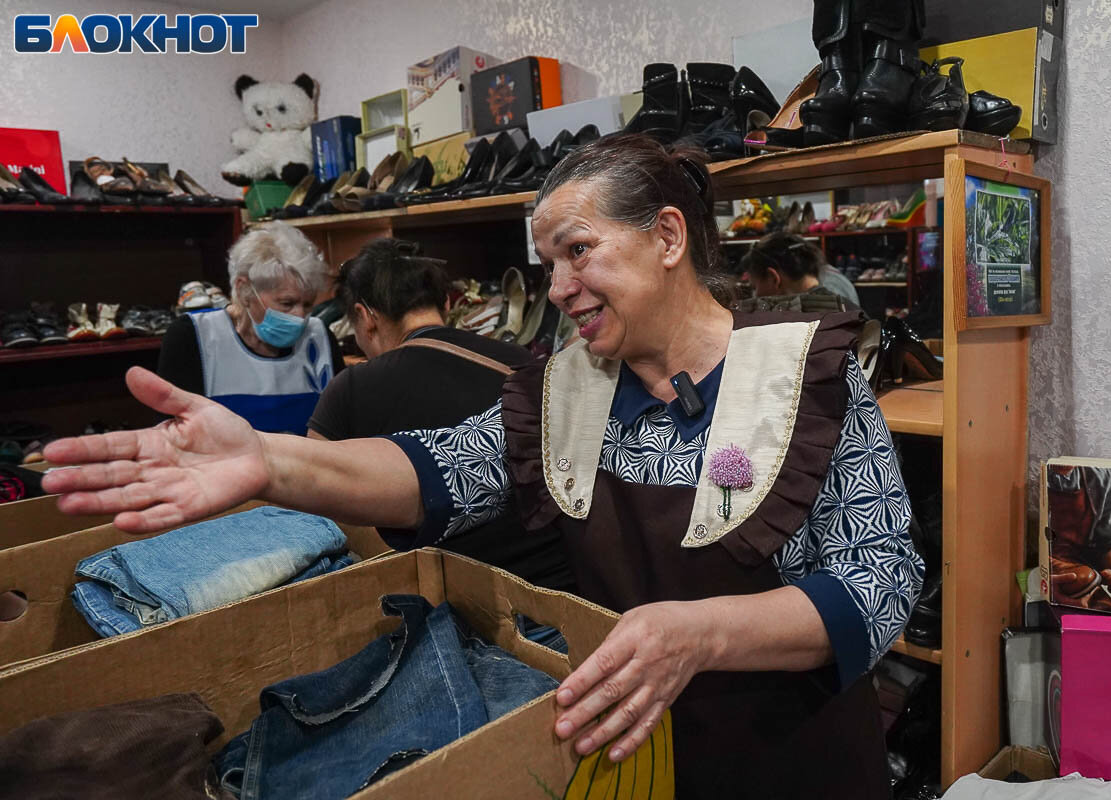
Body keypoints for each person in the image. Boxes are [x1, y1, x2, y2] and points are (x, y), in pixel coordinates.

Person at [43, 133, 921, 798]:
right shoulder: (564, 390)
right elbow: (432, 471)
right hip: (630, 750)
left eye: (579, 251)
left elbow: (882, 578)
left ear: (666, 236)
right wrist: (269, 460)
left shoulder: (804, 375)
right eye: (548, 265)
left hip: (792, 759)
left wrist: (698, 633)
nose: (560, 287)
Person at [308, 239, 575, 597]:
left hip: (449, 604)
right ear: (448, 304)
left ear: (366, 317)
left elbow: (317, 502)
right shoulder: (519, 361)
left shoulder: (351, 388)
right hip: (555, 593)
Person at [157, 221, 343, 435]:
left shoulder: (319, 338)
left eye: (308, 305)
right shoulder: (194, 338)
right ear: (244, 289)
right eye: (287, 303)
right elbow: (173, 433)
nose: (300, 317)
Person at [1046, 464, 1111, 614]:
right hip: (1041, 572)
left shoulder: (1100, 475)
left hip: (1083, 575)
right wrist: (1041, 581)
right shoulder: (1026, 470)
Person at [739, 231, 860, 308]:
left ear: (774, 278)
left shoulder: (802, 319)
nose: (755, 295)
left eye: (754, 287)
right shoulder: (845, 306)